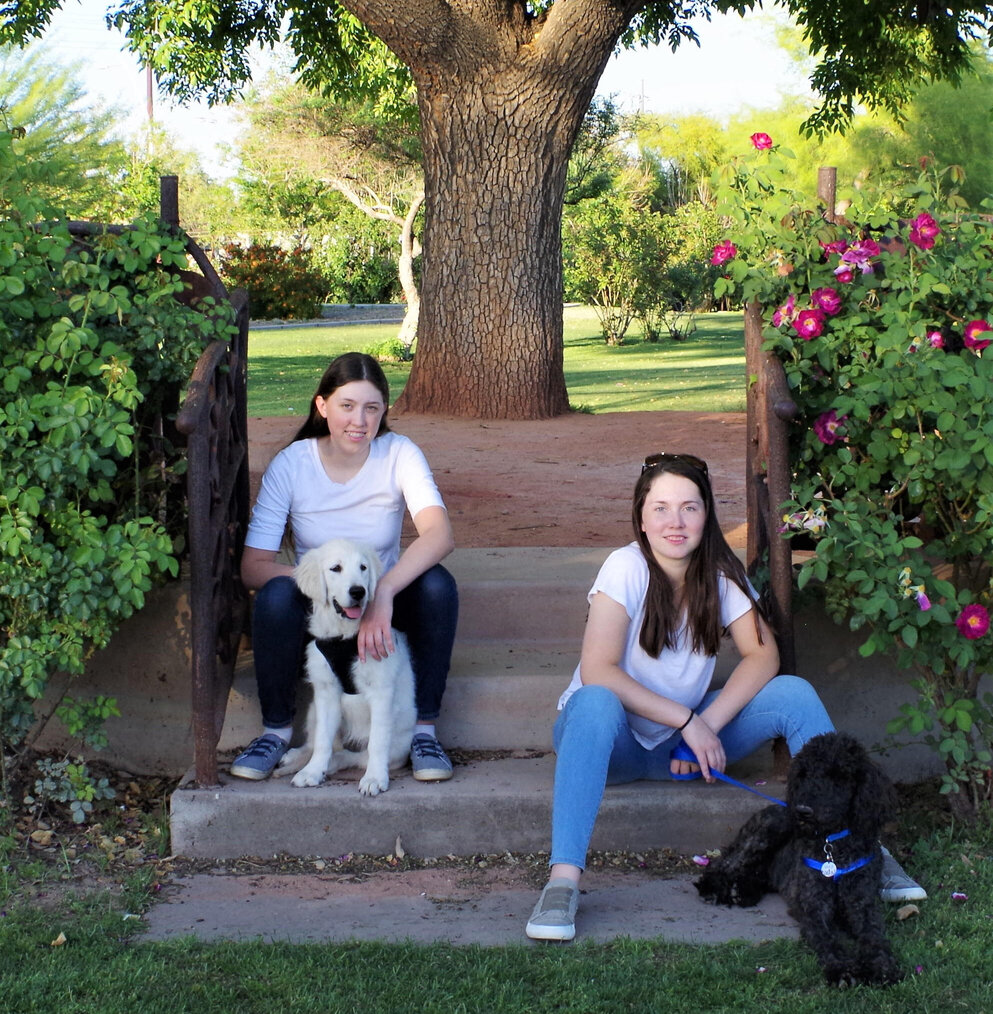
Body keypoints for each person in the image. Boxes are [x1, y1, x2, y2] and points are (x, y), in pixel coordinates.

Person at [525, 452, 926, 942]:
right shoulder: (623, 567)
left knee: (791, 693)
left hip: (688, 747)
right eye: (661, 508)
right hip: (614, 745)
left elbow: (763, 656)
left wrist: (707, 723)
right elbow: (598, 669)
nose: (676, 521)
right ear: (642, 518)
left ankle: (867, 852)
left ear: (707, 514)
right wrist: (686, 722)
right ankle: (562, 884)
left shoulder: (720, 574)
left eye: (690, 508)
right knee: (594, 699)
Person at [230, 352, 458, 783]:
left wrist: (383, 593)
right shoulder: (293, 464)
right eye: (347, 406)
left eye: (372, 408)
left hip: (378, 594)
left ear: (384, 411)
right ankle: (276, 731)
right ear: (322, 406)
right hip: (320, 605)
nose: (360, 421)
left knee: (436, 587)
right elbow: (254, 567)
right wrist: (320, 587)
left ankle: (424, 732)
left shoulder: (399, 453)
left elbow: (439, 534)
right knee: (277, 598)